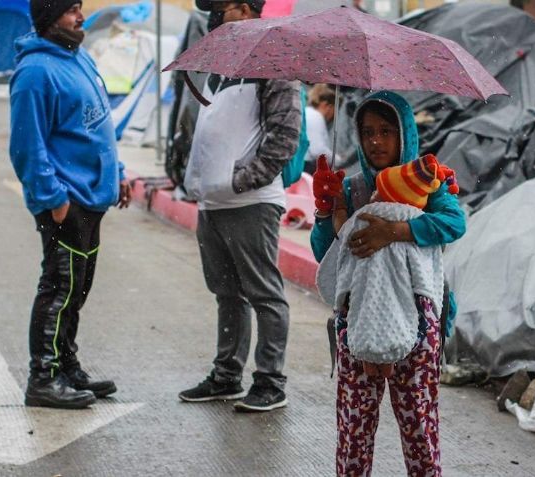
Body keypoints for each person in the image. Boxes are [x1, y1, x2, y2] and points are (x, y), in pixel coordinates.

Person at [311, 91, 466, 476]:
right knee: (354, 431)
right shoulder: (350, 189)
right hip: (358, 322)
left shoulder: (427, 181)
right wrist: (324, 210)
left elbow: (454, 224)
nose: (376, 141)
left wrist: (396, 230)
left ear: (405, 134)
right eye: (367, 132)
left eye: (385, 131)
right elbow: (324, 252)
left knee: (419, 430)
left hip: (419, 323)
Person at [178, 0, 302, 412]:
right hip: (212, 202)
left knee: (264, 294)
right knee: (227, 294)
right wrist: (194, 177)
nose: (217, 18)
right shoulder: (222, 65)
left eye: (225, 8)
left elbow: (285, 134)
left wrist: (242, 179)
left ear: (247, 10)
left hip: (250, 202)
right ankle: (227, 374)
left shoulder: (275, 61)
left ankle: (270, 381)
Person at [9, 0, 131, 410]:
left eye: (79, 8)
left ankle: (66, 367)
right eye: (71, 10)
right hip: (66, 200)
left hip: (92, 197)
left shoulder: (77, 59)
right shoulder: (34, 72)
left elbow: (98, 127)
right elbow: (27, 145)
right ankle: (42, 378)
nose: (80, 17)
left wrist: (119, 172)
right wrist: (52, 198)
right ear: (48, 17)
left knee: (77, 289)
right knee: (59, 289)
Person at [304, 84, 338, 175]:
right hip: (306, 167)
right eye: (334, 110)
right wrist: (337, 160)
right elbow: (317, 150)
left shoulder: (308, 112)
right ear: (327, 106)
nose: (333, 116)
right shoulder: (316, 116)